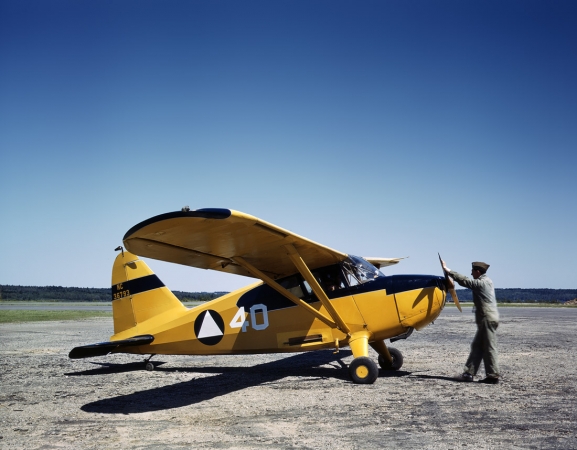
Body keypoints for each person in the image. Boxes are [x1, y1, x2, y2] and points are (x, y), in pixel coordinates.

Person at [441, 259, 500, 384]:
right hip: (489, 318)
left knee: (489, 346)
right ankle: (468, 373)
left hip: (486, 319)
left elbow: (465, 281)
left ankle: (493, 376)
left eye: (473, 271)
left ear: (478, 271)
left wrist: (449, 271)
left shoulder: (481, 283)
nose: (471, 273)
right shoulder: (488, 281)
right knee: (477, 346)